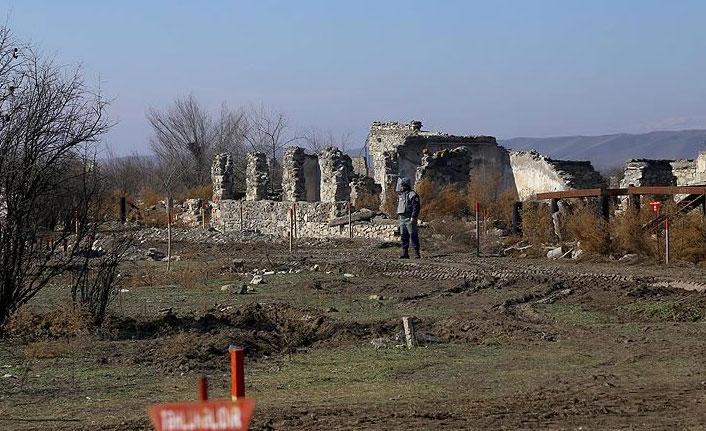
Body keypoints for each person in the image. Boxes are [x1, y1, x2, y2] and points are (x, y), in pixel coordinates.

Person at [397, 177, 421, 259]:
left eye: (402, 185)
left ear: (406, 186)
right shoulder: (401, 195)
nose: (401, 187)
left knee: (413, 235)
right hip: (402, 218)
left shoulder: (412, 194)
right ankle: (405, 253)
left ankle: (416, 253)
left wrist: (413, 217)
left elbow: (416, 207)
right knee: (404, 236)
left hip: (409, 217)